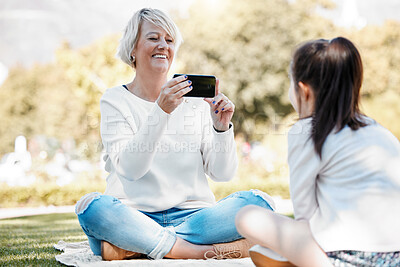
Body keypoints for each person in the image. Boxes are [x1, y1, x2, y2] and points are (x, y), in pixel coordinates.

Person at [74, 8, 275, 261]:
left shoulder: (195, 103)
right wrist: (161, 110)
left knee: (259, 203)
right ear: (132, 48)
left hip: (194, 217)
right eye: (153, 38)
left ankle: (135, 245)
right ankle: (192, 251)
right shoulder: (115, 100)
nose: (163, 45)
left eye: (169, 40)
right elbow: (130, 169)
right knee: (92, 207)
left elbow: (222, 174)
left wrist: (220, 128)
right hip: (134, 214)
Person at [235, 37, 400, 267]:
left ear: (303, 90)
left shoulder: (307, 132)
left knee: (246, 216)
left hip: (342, 257)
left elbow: (305, 218)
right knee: (266, 249)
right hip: (394, 257)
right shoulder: (379, 132)